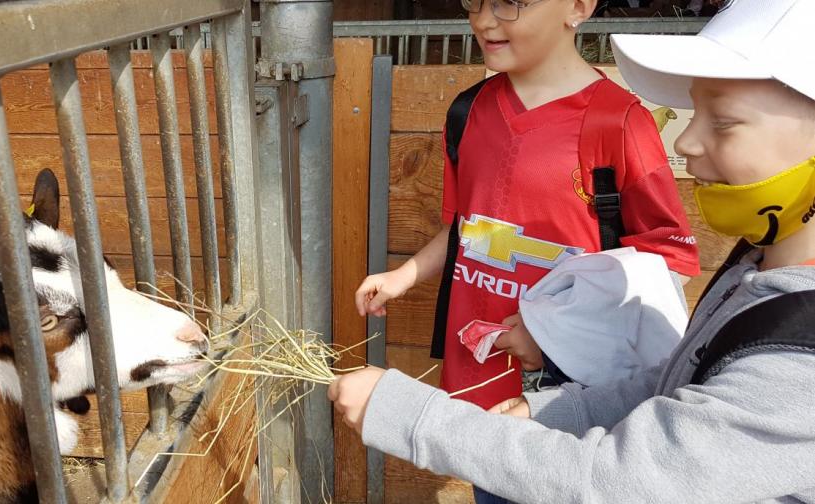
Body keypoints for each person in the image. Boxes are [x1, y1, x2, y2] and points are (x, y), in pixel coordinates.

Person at [331, 0, 815, 502]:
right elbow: (467, 230)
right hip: (508, 384)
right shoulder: (752, 268)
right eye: (471, 1)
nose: (481, 17)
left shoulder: (616, 121)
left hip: (565, 391)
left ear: (579, 7)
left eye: (724, 121)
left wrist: (554, 336)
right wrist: (405, 274)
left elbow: (662, 260)